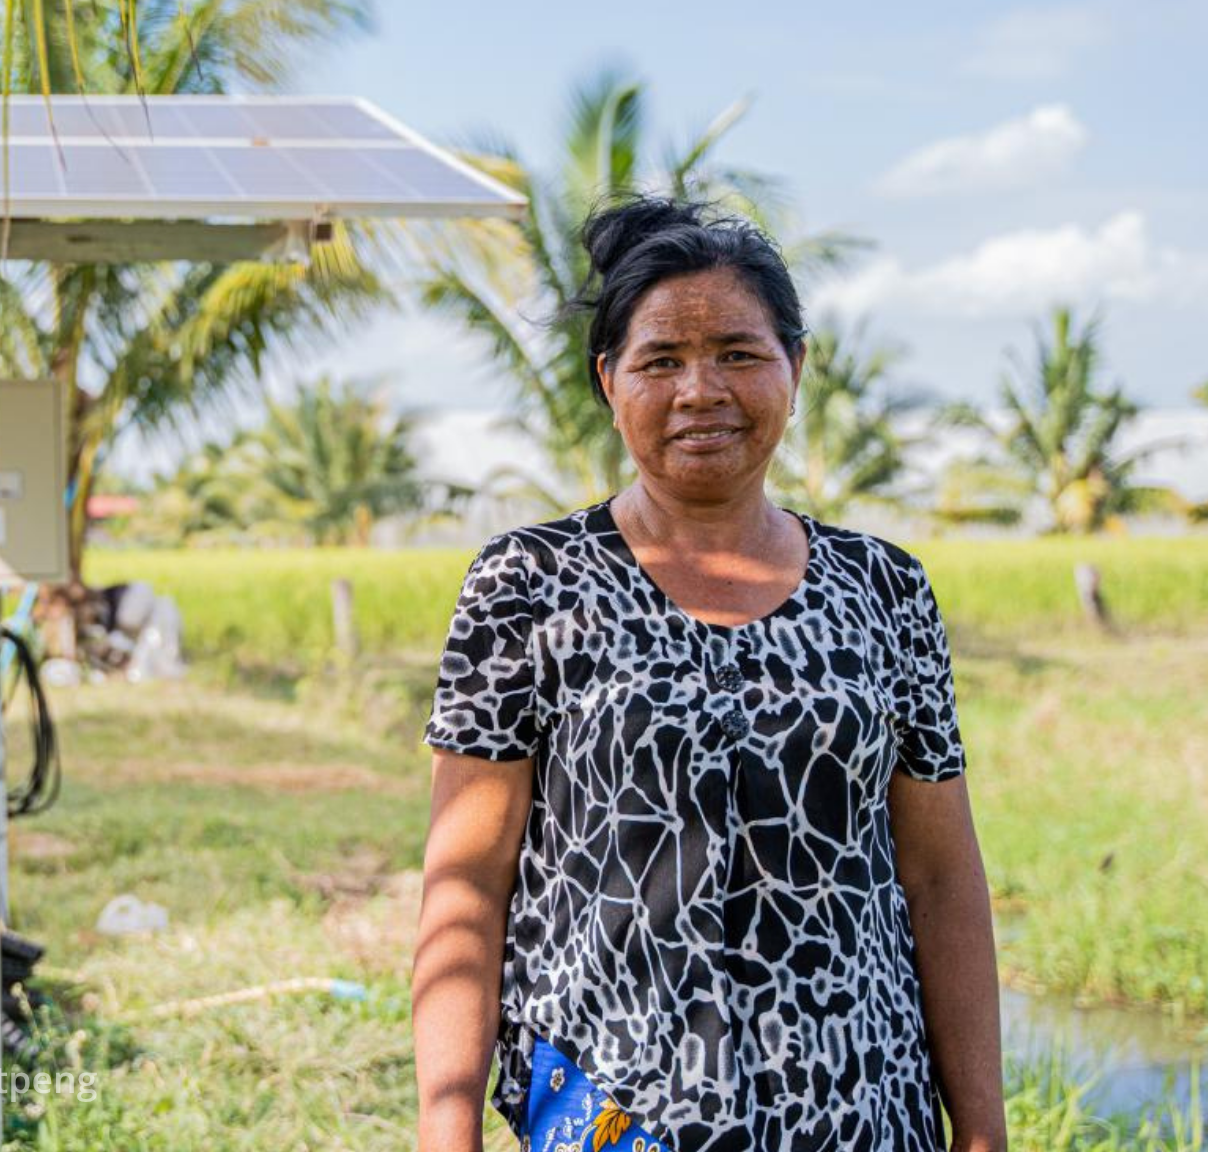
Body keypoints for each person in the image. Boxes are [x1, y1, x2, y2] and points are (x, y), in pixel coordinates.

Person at [411, 196, 1006, 1152]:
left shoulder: (886, 588)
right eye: (661, 361)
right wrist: (447, 1128)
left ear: (796, 368)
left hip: (857, 1106)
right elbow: (467, 881)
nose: (700, 391)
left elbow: (939, 876)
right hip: (611, 1116)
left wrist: (981, 1128)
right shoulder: (528, 583)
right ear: (610, 381)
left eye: (738, 353)